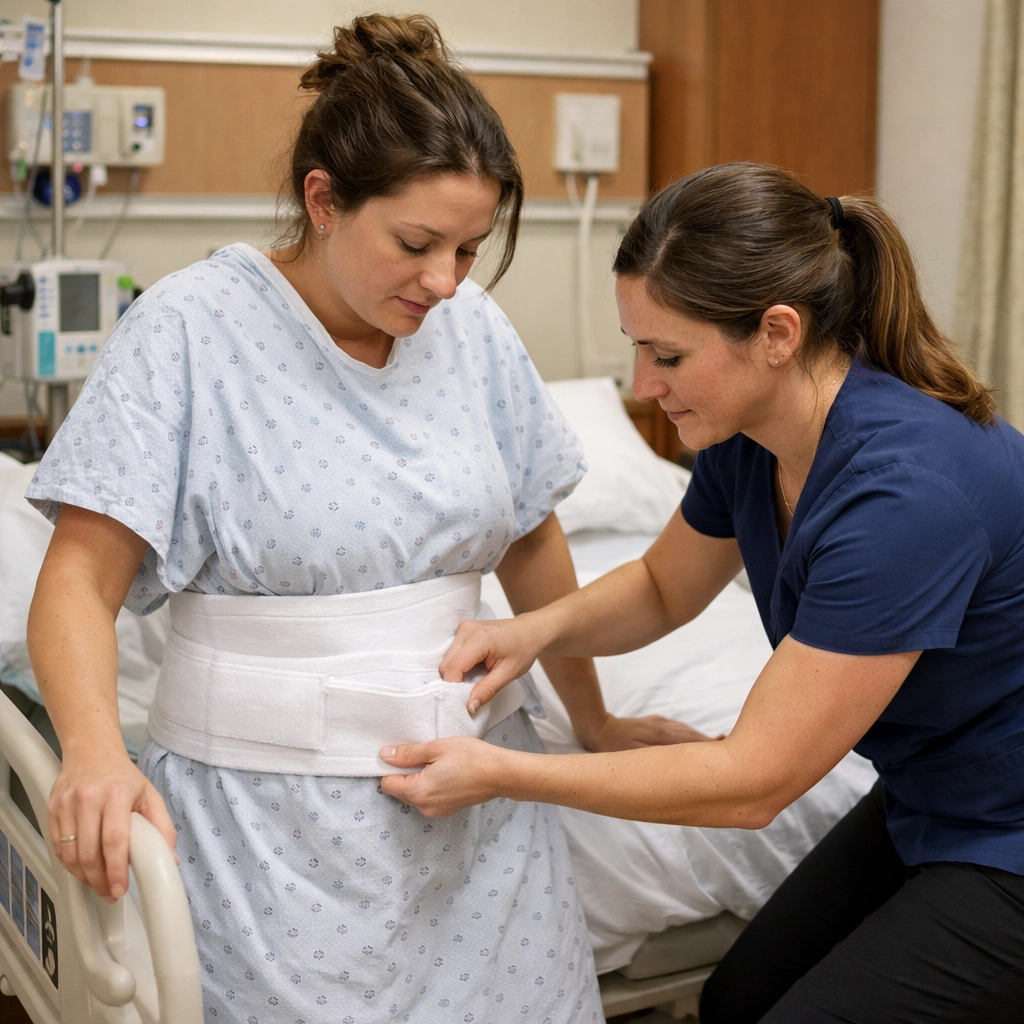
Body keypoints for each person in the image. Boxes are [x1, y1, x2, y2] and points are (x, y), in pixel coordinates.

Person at [24, 15, 703, 1022]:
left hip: (480, 810)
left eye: (470, 250)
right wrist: (92, 751)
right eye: (417, 244)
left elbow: (527, 535)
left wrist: (591, 718)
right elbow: (79, 578)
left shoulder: (470, 330)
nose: (445, 282)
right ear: (325, 201)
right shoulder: (188, 331)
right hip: (269, 830)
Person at [380, 162, 1024, 1023]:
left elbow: (752, 782)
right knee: (734, 1001)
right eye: (637, 348)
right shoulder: (749, 436)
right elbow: (662, 587)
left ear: (778, 334)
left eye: (667, 354)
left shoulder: (904, 498)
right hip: (936, 792)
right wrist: (536, 630)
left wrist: (508, 774)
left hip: (1008, 826)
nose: (643, 386)